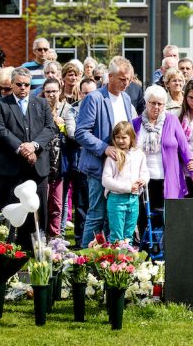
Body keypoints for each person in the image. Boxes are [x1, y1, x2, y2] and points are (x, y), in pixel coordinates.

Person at [0, 67, 55, 248]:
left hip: (37, 165)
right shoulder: (0, 104)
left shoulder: (41, 103)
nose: (23, 88)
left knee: (37, 209)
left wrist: (34, 146)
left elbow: (50, 128)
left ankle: (34, 247)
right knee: (10, 208)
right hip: (11, 166)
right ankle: (8, 247)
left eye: (27, 84)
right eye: (19, 84)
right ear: (12, 84)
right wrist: (21, 149)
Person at [75, 57, 136, 247]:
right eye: (122, 79)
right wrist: (104, 148)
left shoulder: (126, 98)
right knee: (96, 214)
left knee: (114, 217)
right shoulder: (95, 98)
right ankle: (85, 260)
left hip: (120, 168)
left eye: (129, 79)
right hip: (98, 167)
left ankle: (108, 262)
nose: (126, 83)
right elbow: (80, 132)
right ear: (109, 77)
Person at [135, 85, 193, 213]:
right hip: (143, 179)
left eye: (160, 104)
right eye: (153, 103)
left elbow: (184, 148)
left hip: (168, 178)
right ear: (146, 102)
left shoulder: (172, 120)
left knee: (170, 219)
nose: (157, 107)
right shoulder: (136, 123)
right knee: (145, 220)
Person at [63, 77, 97, 247]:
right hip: (80, 164)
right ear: (80, 93)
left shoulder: (101, 108)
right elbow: (73, 133)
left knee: (96, 204)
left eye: (92, 93)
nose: (88, 96)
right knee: (81, 204)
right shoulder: (72, 110)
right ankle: (81, 240)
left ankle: (98, 240)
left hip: (100, 163)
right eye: (85, 93)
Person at [102, 120, 148, 244]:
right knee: (117, 236)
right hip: (116, 200)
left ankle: (127, 262)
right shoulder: (113, 157)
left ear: (131, 137)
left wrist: (143, 180)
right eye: (117, 137)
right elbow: (106, 180)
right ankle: (116, 261)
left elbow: (144, 171)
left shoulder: (139, 154)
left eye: (124, 137)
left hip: (133, 200)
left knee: (129, 235)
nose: (120, 141)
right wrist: (128, 187)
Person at [42, 77, 71, 239]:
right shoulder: (38, 108)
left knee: (58, 203)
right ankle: (41, 234)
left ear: (60, 91)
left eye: (54, 91)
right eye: (48, 92)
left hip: (60, 162)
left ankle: (55, 236)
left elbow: (74, 133)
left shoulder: (67, 109)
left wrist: (64, 127)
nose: (51, 95)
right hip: (43, 163)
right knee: (42, 203)